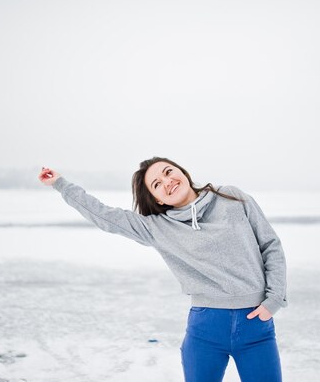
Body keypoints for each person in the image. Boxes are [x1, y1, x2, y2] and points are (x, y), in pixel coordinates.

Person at [38, 156, 287, 382]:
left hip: (256, 325)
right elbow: (104, 215)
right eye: (156, 184)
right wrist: (61, 184)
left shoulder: (231, 197)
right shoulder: (157, 227)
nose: (167, 181)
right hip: (206, 330)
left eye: (168, 172)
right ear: (157, 198)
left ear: (183, 172)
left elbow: (269, 244)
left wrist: (274, 299)